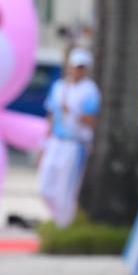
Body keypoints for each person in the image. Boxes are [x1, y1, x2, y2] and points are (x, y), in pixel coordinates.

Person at [37, 48, 100, 227]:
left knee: (65, 190)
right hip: (56, 142)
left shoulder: (90, 91)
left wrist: (73, 111)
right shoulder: (59, 87)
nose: (78, 70)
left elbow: (92, 119)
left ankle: (64, 225)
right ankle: (58, 221)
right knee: (45, 187)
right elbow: (51, 115)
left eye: (82, 67)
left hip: (75, 143)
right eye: (75, 66)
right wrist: (44, 143)